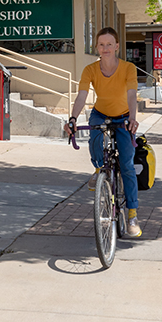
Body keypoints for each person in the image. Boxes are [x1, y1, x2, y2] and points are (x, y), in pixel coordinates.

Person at [64, 27, 141, 237]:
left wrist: (133, 118)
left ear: (116, 46)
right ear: (96, 47)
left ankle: (132, 215)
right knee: (95, 139)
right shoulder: (90, 70)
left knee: (126, 164)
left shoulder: (128, 68)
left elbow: (132, 94)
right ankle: (100, 170)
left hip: (124, 116)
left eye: (109, 44)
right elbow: (82, 95)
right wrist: (72, 118)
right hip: (100, 113)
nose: (105, 48)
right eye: (101, 44)